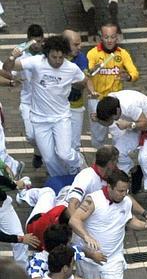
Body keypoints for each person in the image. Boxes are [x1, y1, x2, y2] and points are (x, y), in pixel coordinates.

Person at [3, 35, 94, 177]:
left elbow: (83, 80)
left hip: (61, 118)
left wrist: (85, 89)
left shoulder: (71, 68)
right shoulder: (36, 62)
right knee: (49, 159)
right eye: (54, 57)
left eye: (60, 57)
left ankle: (78, 161)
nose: (57, 61)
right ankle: (61, 179)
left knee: (64, 153)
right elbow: (7, 68)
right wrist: (12, 57)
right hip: (39, 120)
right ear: (47, 54)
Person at [70, 170, 147, 279]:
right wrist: (86, 236)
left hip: (113, 259)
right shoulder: (92, 200)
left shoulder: (126, 202)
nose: (124, 194)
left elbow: (129, 221)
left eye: (126, 190)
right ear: (110, 187)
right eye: (120, 191)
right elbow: (74, 220)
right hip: (89, 259)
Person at [95, 90, 147, 210]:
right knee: (117, 152)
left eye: (112, 118)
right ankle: (135, 171)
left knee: (144, 157)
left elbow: (146, 125)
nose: (111, 121)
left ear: (117, 111)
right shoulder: (109, 103)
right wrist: (98, 119)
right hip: (136, 125)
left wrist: (129, 125)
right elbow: (108, 122)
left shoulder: (128, 106)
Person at [87, 22, 139, 149]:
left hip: (115, 102)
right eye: (106, 37)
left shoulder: (123, 54)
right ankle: (100, 160)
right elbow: (87, 73)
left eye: (112, 37)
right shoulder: (92, 54)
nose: (109, 40)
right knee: (98, 138)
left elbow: (135, 73)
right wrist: (94, 69)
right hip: (97, 100)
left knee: (119, 135)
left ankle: (118, 160)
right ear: (101, 37)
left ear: (117, 37)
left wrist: (127, 76)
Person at [13, 24, 45, 169]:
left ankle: (44, 156)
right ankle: (39, 152)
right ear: (28, 40)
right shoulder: (20, 52)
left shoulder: (48, 53)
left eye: (40, 41)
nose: (37, 45)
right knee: (31, 135)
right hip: (27, 101)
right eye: (34, 42)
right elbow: (10, 71)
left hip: (45, 102)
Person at [63, 29, 88, 152]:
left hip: (76, 105)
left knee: (75, 144)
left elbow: (84, 81)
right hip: (58, 108)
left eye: (80, 43)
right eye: (76, 44)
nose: (80, 47)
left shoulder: (81, 58)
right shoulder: (54, 58)